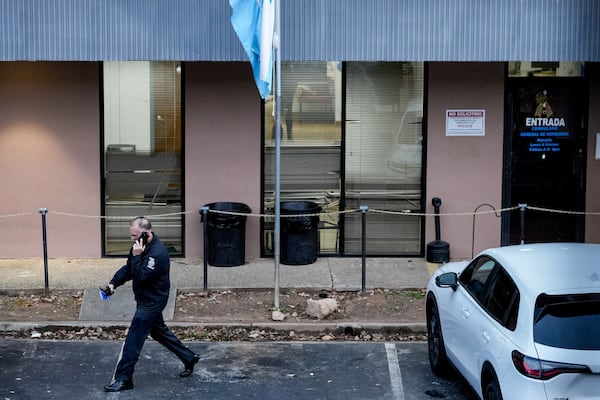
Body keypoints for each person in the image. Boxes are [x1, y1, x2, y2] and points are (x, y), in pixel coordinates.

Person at [101, 216, 200, 392]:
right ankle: (189, 357)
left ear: (146, 234)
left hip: (152, 302)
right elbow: (129, 268)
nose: (132, 239)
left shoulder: (157, 254)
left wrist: (138, 256)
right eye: (131, 235)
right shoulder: (139, 246)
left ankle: (124, 379)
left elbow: (141, 276)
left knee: (133, 339)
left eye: (134, 235)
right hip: (144, 299)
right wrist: (113, 284)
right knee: (158, 332)